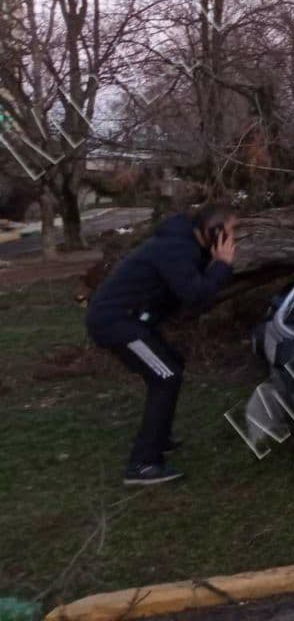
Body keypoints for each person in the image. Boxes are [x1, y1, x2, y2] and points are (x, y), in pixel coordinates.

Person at [85, 202, 238, 486]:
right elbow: (195, 294)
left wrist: (214, 265)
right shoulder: (176, 249)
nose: (233, 239)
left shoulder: (184, 244)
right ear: (214, 231)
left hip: (133, 321)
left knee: (172, 364)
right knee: (166, 376)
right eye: (230, 232)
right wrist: (221, 266)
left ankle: (159, 437)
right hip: (115, 323)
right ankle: (143, 465)